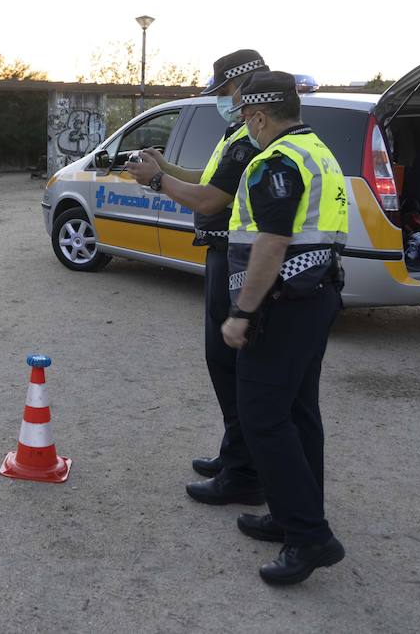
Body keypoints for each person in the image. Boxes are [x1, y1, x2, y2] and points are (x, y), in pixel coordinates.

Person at [126, 50, 270, 508]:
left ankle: (244, 473)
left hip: (235, 256)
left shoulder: (252, 136)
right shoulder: (237, 131)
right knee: (221, 364)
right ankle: (235, 455)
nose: (224, 102)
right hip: (222, 254)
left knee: (231, 365)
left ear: (246, 85)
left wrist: (154, 182)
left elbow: (210, 200)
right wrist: (164, 169)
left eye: (226, 92)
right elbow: (208, 180)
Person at [221, 70, 348, 585]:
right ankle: (289, 513)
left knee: (263, 418)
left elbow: (271, 244)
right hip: (315, 295)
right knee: (298, 414)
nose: (244, 129)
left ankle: (310, 537)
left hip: (282, 303)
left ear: (257, 116)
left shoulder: (274, 161)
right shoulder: (316, 149)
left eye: (245, 120)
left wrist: (242, 314)